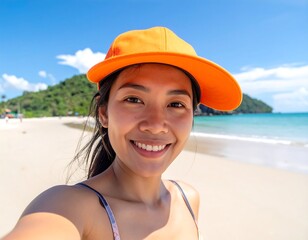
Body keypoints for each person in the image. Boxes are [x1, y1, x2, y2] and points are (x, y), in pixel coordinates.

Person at [2, 26, 242, 240]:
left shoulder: (189, 199)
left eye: (176, 104)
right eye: (134, 99)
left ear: (192, 115)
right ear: (103, 114)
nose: (156, 124)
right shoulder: (71, 207)